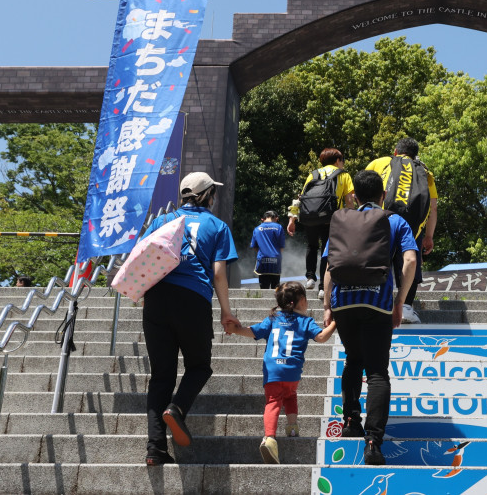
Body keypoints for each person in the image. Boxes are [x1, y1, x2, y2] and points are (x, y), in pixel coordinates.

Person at [139, 171, 240, 467]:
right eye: (214, 193)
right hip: (192, 299)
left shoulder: (161, 221)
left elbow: (141, 257)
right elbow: (219, 272)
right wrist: (225, 311)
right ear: (207, 195)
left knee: (161, 376)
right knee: (198, 366)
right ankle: (177, 409)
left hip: (156, 299)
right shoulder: (217, 226)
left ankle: (155, 449)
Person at [322, 170, 417, 466]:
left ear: (355, 197)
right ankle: (373, 442)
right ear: (383, 196)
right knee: (377, 372)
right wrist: (400, 300)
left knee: (353, 359)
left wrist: (328, 305)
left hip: (344, 303)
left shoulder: (343, 221)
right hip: (378, 303)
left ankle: (351, 420)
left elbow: (329, 268)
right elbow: (411, 260)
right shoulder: (395, 220)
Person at [227, 281, 336, 464]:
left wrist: (234, 329)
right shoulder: (306, 321)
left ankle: (269, 438)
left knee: (273, 402)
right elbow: (322, 337)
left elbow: (252, 332)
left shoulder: (273, 318)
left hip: (273, 371)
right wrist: (334, 322)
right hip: (292, 372)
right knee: (291, 395)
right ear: (301, 301)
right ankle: (292, 428)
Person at [366, 137, 437, 324]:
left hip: (380, 220)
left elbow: (364, 188)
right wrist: (428, 236)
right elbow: (433, 206)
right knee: (409, 260)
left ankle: (376, 302)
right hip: (412, 225)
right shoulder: (424, 171)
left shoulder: (380, 162)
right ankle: (405, 307)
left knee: (379, 260)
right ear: (415, 154)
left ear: (395, 152)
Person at [287, 148, 356, 298]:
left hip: (310, 217)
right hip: (331, 218)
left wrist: (292, 219)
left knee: (312, 246)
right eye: (342, 160)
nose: (343, 163)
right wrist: (352, 219)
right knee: (327, 250)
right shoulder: (344, 175)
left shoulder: (313, 174)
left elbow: (301, 198)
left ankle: (310, 278)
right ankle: (323, 288)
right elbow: (349, 201)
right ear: (337, 160)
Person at [250, 210, 286, 289]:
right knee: (276, 288)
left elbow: (254, 246)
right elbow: (282, 246)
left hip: (262, 260)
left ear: (263, 219)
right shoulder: (279, 227)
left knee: (263, 288)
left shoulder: (257, 229)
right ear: (276, 218)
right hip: (276, 260)